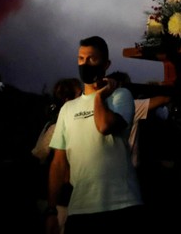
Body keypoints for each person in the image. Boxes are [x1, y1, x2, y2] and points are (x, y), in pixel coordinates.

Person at [46, 36, 145, 233]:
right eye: (81, 59)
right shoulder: (67, 109)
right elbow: (58, 163)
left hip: (121, 205)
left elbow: (104, 125)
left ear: (106, 64)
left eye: (92, 59)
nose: (85, 64)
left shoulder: (120, 96)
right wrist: (51, 210)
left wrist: (99, 95)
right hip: (80, 209)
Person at [32, 77, 83, 233]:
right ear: (69, 99)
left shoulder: (53, 123)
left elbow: (38, 154)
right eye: (79, 94)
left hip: (70, 199)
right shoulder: (57, 126)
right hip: (61, 200)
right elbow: (40, 155)